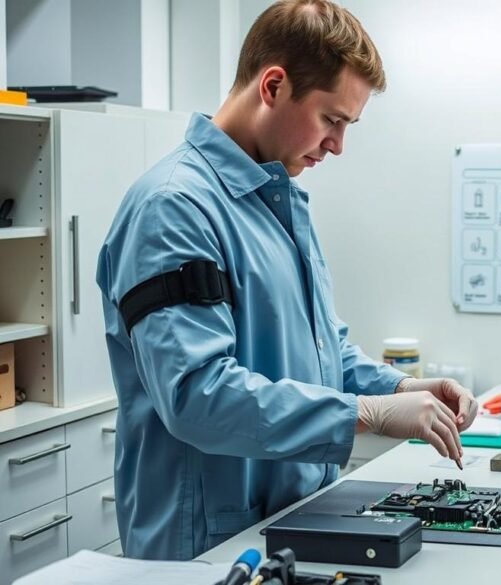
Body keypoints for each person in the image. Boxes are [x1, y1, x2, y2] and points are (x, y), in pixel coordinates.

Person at [96, 0, 477, 560]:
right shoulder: (173, 208)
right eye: (331, 119)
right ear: (273, 86)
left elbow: (322, 351)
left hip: (290, 522)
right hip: (207, 546)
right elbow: (197, 396)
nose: (337, 144)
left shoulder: (276, 203)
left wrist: (399, 389)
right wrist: (364, 414)